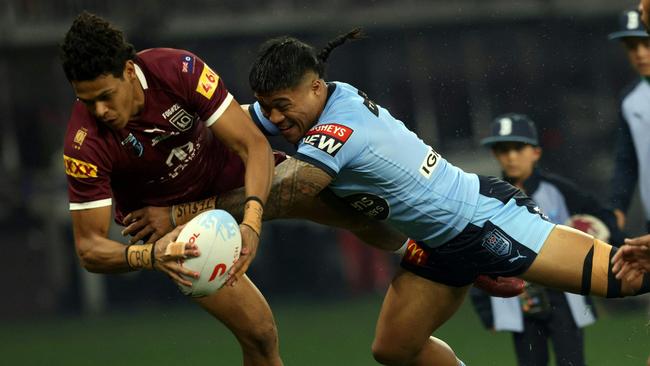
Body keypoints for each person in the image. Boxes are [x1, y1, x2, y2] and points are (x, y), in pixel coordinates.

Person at [237, 30, 649, 366]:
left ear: (313, 87)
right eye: (267, 107)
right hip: (437, 244)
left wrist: (196, 211)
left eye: (282, 107)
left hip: (487, 220)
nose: (274, 118)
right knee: (394, 349)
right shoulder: (323, 97)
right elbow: (233, 121)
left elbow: (291, 189)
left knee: (624, 280)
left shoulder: (340, 127)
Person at [60, 12, 280, 365]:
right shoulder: (83, 144)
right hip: (173, 233)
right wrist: (150, 255)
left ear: (129, 72)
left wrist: (252, 223)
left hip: (227, 176)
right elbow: (89, 248)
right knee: (260, 333)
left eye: (105, 95)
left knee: (325, 183)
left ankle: (399, 242)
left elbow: (254, 147)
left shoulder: (179, 70)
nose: (99, 111)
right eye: (87, 101)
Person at [471, 113, 625, 366]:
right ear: (495, 154)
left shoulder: (558, 190)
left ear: (536, 152)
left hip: (564, 293)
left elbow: (603, 219)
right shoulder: (485, 197)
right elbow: (474, 252)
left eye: (518, 148)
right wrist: (485, 310)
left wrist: (622, 246)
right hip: (518, 298)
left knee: (571, 362)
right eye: (502, 149)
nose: (510, 157)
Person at [607, 9, 650, 280]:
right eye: (631, 46)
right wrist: (617, 206)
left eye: (646, 43)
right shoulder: (629, 101)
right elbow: (627, 161)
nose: (640, 53)